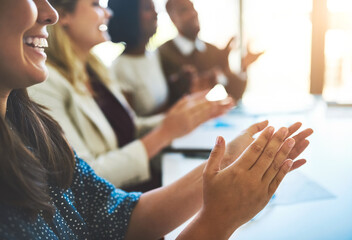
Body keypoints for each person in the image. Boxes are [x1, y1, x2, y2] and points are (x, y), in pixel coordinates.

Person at [0, 0, 314, 238]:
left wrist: (228, 156)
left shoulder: (33, 127)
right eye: (96, 3)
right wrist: (218, 220)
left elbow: (118, 214)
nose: (49, 12)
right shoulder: (51, 88)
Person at [28, 0, 234, 190]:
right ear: (63, 16)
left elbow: (130, 127)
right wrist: (165, 133)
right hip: (121, 201)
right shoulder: (45, 83)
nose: (108, 13)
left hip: (142, 185)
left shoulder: (95, 70)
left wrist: (184, 116)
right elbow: (82, 179)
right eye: (96, 4)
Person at [159, 0, 264, 102]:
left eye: (193, 7)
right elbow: (167, 99)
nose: (193, 13)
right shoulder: (163, 54)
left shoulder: (212, 51)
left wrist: (244, 66)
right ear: (173, 19)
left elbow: (236, 93)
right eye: (184, 10)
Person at [108, 0, 200, 116]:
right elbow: (131, 128)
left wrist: (177, 86)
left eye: (154, 8)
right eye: (147, 9)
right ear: (130, 16)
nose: (156, 14)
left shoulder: (154, 55)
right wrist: (172, 118)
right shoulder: (120, 69)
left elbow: (163, 105)